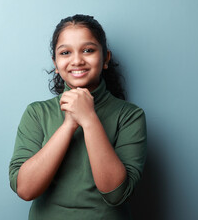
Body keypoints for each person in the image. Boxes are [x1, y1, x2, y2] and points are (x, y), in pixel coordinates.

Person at [9, 14, 147, 220]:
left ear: (106, 58)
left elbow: (116, 194)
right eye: (65, 52)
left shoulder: (130, 116)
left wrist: (89, 118)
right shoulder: (37, 113)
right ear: (55, 63)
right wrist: (69, 124)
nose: (77, 60)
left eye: (88, 50)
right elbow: (26, 189)